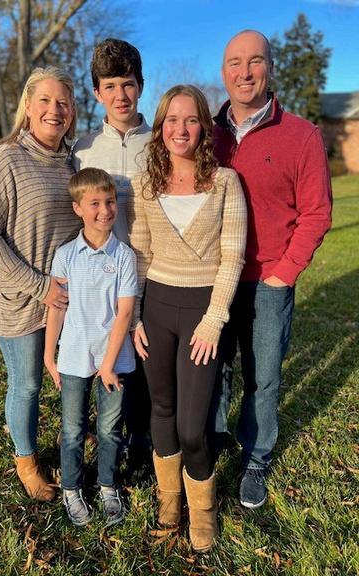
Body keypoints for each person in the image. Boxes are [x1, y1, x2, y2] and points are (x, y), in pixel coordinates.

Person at [212, 30, 332, 509]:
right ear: (224, 72)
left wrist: (284, 272)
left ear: (270, 68)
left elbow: (317, 213)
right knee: (215, 369)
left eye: (255, 61)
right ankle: (213, 441)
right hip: (214, 278)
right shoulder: (207, 133)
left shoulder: (302, 135)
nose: (245, 72)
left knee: (263, 378)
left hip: (268, 280)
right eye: (235, 62)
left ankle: (256, 457)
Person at [128, 85, 247, 552]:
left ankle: (203, 511)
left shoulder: (226, 183)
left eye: (191, 119)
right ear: (160, 128)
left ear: (204, 127)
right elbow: (140, 254)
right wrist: (135, 316)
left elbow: (232, 256)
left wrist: (214, 319)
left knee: (193, 426)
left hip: (203, 313)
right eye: (172, 120)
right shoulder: (144, 184)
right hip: (156, 308)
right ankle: (169, 502)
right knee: (161, 409)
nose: (181, 129)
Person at [0, 66, 82, 501]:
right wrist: (38, 285)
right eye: (46, 101)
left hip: (63, 298)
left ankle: (73, 434)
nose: (55, 110)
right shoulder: (6, 158)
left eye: (63, 102)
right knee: (28, 383)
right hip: (17, 296)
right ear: (29, 107)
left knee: (71, 372)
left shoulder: (72, 161)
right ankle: (27, 461)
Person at [72, 38, 152, 472]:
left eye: (128, 84)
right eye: (110, 86)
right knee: (106, 359)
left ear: (141, 86)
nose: (120, 95)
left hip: (151, 274)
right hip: (100, 280)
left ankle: (141, 441)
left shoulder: (160, 142)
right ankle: (104, 438)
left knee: (143, 362)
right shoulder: (82, 150)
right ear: (97, 92)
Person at [44, 168, 137, 527]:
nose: (105, 210)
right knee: (72, 429)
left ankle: (107, 485)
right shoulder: (66, 255)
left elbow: (124, 312)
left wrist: (109, 364)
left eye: (110, 202)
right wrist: (49, 356)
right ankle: (71, 488)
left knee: (109, 429)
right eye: (95, 203)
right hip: (73, 356)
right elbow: (57, 307)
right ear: (77, 208)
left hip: (115, 358)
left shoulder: (124, 255)